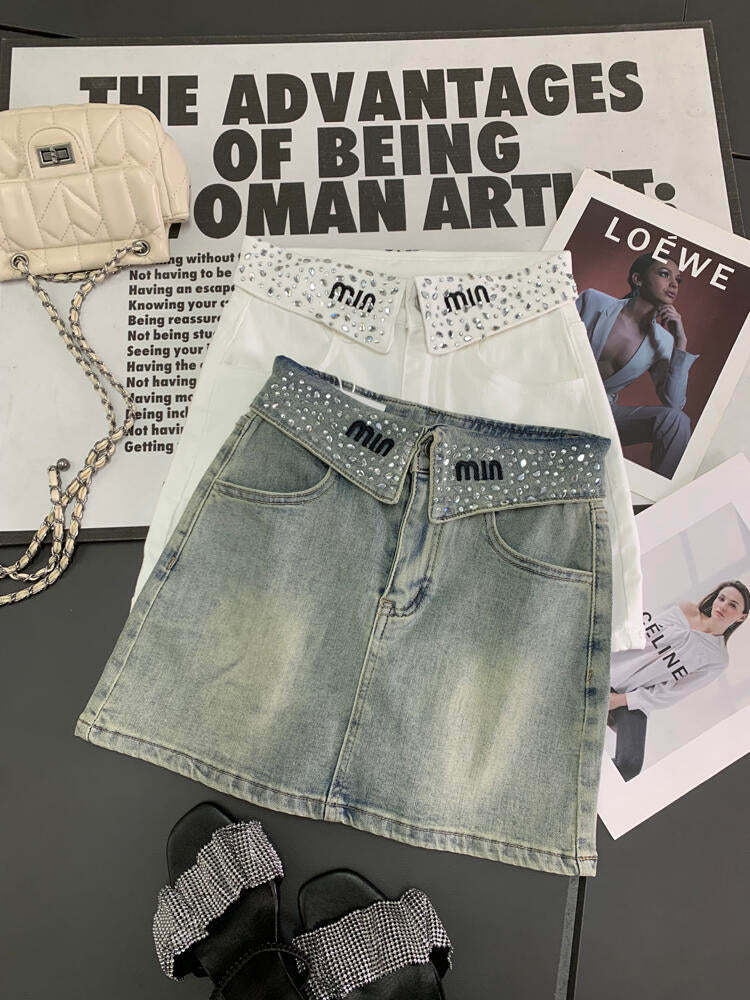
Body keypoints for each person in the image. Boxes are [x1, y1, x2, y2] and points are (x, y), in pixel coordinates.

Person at [608, 580, 749, 781]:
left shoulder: (717, 658)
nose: (723, 606)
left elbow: (672, 693)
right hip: (612, 668)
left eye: (733, 605)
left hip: (634, 698)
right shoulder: (685, 609)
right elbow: (639, 633)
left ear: (742, 616)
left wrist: (620, 700)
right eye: (722, 598)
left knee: (630, 765)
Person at [576, 255, 699, 479]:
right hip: (562, 394)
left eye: (678, 280)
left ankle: (661, 493)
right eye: (664, 274)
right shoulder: (593, 301)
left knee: (676, 421)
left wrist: (680, 343)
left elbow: (673, 403)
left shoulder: (663, 341)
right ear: (638, 279)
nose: (673, 284)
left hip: (603, 414)